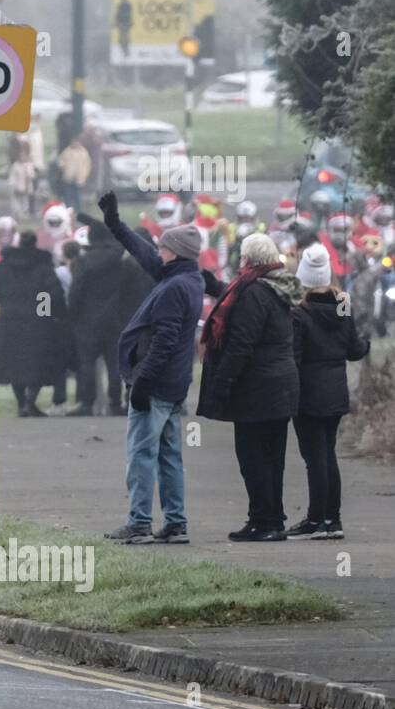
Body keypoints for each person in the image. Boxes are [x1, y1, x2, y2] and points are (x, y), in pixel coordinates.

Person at [96, 192, 204, 544]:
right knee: (169, 455)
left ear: (176, 253)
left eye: (164, 247)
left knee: (141, 453)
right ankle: (176, 522)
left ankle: (139, 522)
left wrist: (142, 379)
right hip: (173, 384)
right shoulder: (185, 277)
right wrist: (116, 225)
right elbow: (145, 253)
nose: (158, 250)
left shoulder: (174, 288)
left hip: (156, 384)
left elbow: (165, 341)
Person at [196, 233, 303, 541]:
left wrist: (221, 384)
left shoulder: (253, 292)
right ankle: (270, 519)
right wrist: (214, 285)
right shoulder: (275, 286)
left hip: (258, 389)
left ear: (248, 259)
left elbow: (242, 344)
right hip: (281, 384)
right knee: (273, 457)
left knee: (253, 457)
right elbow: (236, 297)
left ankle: (264, 521)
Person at [287, 243, 370, 539]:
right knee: (329, 454)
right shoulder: (343, 302)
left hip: (308, 393)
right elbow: (354, 350)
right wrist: (367, 342)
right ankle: (333, 520)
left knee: (314, 458)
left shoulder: (299, 311)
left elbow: (294, 357)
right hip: (336, 391)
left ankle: (315, 520)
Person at [0, 231, 66, 417]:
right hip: (38, 323)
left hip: (9, 322)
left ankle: (21, 403)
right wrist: (49, 314)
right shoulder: (43, 267)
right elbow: (52, 295)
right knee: (38, 363)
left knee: (13, 364)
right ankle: (30, 401)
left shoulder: (3, 267)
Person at [67, 217, 128, 416]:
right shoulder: (118, 261)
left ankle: (87, 404)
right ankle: (115, 403)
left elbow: (76, 291)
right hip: (114, 318)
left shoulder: (84, 262)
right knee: (114, 364)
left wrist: (73, 314)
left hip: (87, 319)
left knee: (87, 364)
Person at [56, 136, 92, 212]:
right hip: (68, 177)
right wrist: (63, 166)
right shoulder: (67, 151)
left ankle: (79, 210)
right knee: (68, 195)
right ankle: (68, 210)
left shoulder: (83, 152)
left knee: (78, 196)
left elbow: (87, 165)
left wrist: (84, 174)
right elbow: (61, 161)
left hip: (79, 178)